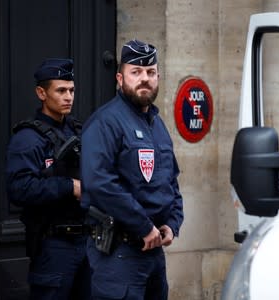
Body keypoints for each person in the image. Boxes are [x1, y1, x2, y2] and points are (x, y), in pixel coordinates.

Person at [81, 40, 184, 299]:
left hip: (154, 254)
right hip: (119, 255)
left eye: (150, 72)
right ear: (120, 78)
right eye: (135, 72)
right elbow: (99, 182)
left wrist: (172, 224)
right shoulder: (106, 122)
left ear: (158, 76)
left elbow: (171, 181)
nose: (144, 79)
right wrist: (143, 226)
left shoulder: (157, 125)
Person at [6, 58, 90, 300]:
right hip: (54, 246)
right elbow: (18, 188)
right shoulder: (28, 139)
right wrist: (68, 186)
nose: (68, 97)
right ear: (41, 93)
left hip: (87, 242)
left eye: (72, 90)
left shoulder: (78, 130)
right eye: (61, 90)